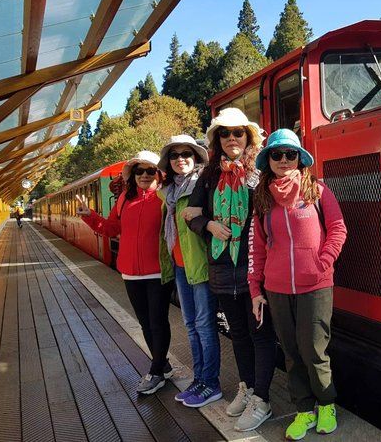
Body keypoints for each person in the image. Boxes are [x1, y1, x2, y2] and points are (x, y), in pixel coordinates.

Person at [248, 129, 347, 440]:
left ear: (299, 159)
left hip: (315, 286)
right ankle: (304, 410)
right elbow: (257, 247)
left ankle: (327, 405)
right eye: (276, 155)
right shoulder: (262, 197)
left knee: (314, 349)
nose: (283, 160)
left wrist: (324, 261)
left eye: (290, 154)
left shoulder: (317, 190)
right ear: (268, 160)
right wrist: (255, 289)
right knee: (291, 351)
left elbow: (338, 228)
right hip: (277, 289)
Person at [183, 108, 277, 431]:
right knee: (238, 334)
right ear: (217, 139)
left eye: (238, 133)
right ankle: (248, 388)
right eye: (225, 133)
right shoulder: (209, 176)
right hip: (223, 270)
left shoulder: (258, 174)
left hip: (254, 269)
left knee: (261, 334)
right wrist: (208, 224)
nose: (232, 138)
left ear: (248, 137)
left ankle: (262, 399)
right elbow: (190, 215)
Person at [76, 150, 174, 394]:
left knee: (158, 321)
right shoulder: (124, 201)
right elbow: (110, 229)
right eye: (139, 171)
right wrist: (91, 217)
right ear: (133, 175)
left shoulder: (166, 198)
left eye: (150, 170)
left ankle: (156, 372)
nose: (144, 175)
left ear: (159, 173)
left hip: (158, 271)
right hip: (130, 272)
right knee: (145, 323)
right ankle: (163, 364)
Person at [158, 135, 221, 408]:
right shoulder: (170, 192)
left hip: (201, 265)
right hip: (181, 265)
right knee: (191, 326)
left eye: (186, 153)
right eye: (174, 155)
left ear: (196, 158)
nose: (180, 159)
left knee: (205, 327)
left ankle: (212, 383)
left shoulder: (202, 184)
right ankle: (199, 378)